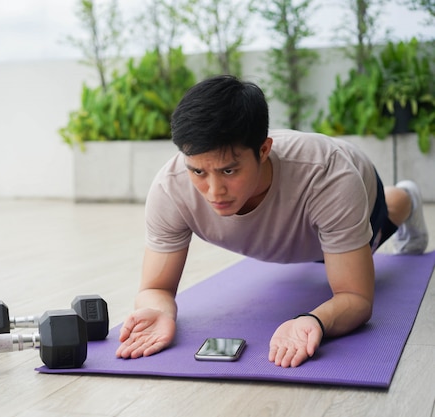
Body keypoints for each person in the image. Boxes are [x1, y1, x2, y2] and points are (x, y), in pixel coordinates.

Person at [115, 75, 429, 368]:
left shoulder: (327, 175)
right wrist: (157, 311)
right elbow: (155, 287)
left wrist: (313, 320)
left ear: (264, 150)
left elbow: (356, 298)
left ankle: (406, 197)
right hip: (297, 232)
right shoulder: (170, 189)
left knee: (386, 216)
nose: (214, 191)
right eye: (198, 171)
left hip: (352, 198)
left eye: (229, 171)